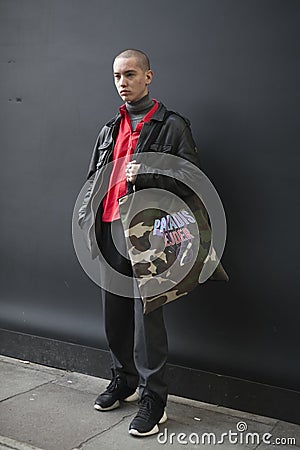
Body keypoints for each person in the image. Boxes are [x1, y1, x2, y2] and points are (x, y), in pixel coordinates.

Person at [78, 49, 201, 437]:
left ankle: (154, 398)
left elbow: (193, 179)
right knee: (114, 314)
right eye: (117, 76)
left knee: (147, 319)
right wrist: (86, 219)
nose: (123, 83)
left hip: (151, 235)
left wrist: (150, 170)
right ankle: (124, 380)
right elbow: (92, 179)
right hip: (111, 229)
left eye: (130, 74)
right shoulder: (108, 129)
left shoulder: (172, 125)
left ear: (149, 76)